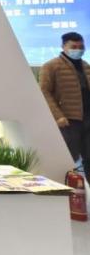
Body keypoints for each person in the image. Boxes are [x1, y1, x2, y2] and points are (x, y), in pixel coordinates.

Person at [39, 31, 90, 181]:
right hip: (67, 121)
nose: (78, 50)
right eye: (74, 47)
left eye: (81, 47)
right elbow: (44, 92)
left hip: (87, 119)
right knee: (67, 159)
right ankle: (63, 190)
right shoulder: (51, 66)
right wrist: (58, 116)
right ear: (63, 46)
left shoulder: (86, 66)